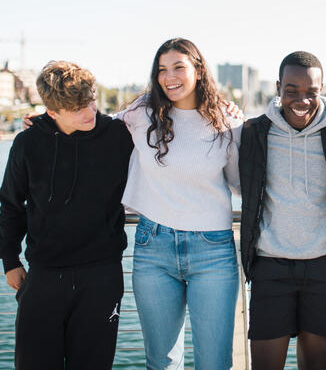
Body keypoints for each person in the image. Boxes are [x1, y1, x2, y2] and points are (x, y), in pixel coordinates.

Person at [118, 37, 242, 370]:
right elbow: (88, 129)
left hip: (213, 251)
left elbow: (241, 185)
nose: (169, 76)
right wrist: (42, 123)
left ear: (199, 71)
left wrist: (245, 129)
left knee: (215, 363)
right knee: (161, 362)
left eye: (178, 67)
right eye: (161, 69)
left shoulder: (227, 122)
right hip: (152, 245)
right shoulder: (141, 114)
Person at [0, 61, 133, 370]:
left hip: (102, 278)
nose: (89, 112)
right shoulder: (28, 143)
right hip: (43, 276)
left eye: (91, 101)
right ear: (53, 111)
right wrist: (9, 260)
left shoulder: (119, 136)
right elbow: (9, 204)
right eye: (77, 108)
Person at [239, 51, 326, 370]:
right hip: (270, 267)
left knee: (316, 365)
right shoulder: (253, 132)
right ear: (278, 87)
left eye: (311, 91)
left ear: (322, 89)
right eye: (292, 90)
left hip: (325, 265)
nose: (302, 99)